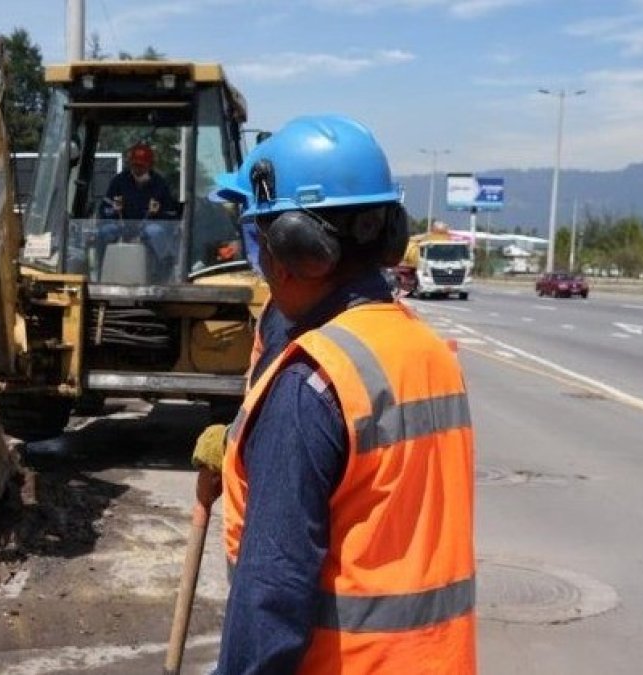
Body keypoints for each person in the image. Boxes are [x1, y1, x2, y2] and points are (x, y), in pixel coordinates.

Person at [192, 114, 476, 674]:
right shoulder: (427, 351)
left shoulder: (312, 384)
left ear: (295, 248)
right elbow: (374, 486)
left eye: (259, 240)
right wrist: (247, 445)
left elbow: (270, 600)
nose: (261, 265)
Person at [95, 143, 178, 279]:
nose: (138, 169)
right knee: (106, 231)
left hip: (148, 226)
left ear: (149, 166)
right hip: (122, 226)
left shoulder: (160, 184)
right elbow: (104, 209)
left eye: (141, 166)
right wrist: (114, 209)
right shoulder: (119, 181)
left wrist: (158, 212)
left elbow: (171, 215)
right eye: (135, 165)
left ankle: (162, 276)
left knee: (156, 232)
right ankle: (101, 272)